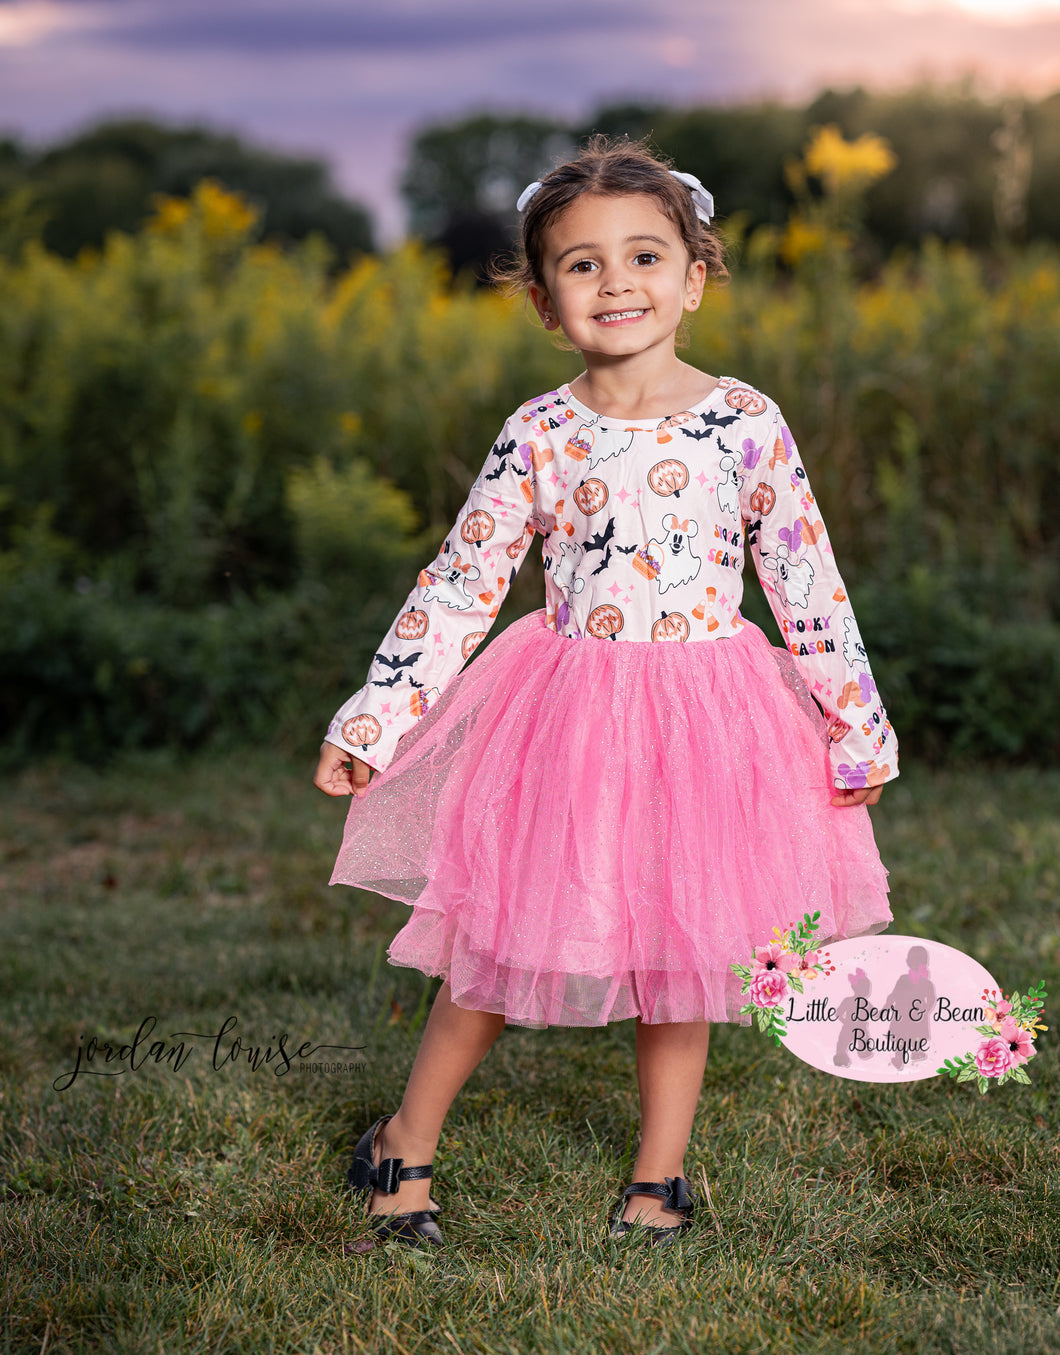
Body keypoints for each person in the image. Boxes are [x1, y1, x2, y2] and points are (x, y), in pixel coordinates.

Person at [313, 136, 898, 1249]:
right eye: (581, 265)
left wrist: (851, 722)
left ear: (695, 274)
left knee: (690, 943)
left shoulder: (745, 421)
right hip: (569, 714)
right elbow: (463, 578)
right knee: (498, 934)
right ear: (543, 301)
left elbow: (805, 579)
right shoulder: (541, 431)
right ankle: (405, 1137)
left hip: (712, 717)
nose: (616, 281)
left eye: (643, 255)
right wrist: (376, 717)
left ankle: (658, 1173)